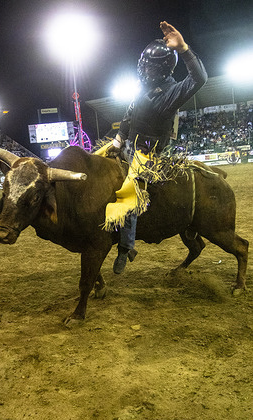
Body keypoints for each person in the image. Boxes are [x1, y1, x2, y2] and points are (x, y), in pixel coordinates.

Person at [112, 21, 208, 274]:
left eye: (148, 65)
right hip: (129, 145)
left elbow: (199, 78)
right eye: (143, 64)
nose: (143, 69)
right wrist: (119, 138)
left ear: (161, 68)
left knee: (129, 194)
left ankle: (126, 247)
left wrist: (184, 48)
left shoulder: (173, 92)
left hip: (148, 152)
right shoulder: (142, 88)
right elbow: (130, 113)